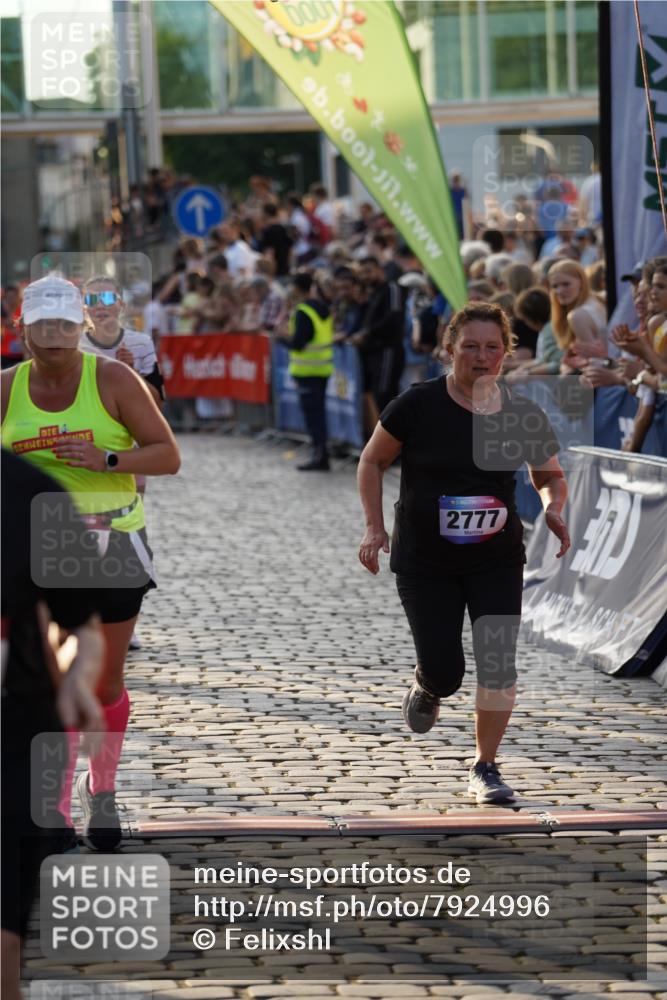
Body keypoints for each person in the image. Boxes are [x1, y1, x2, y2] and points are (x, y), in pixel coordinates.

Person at [357, 302, 570, 804]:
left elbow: (549, 475)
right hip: (425, 561)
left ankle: (486, 766)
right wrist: (374, 528)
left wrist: (554, 507)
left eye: (492, 347)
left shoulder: (521, 412)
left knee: (498, 663)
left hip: (494, 556)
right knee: (447, 670)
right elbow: (372, 461)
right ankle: (429, 683)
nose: (481, 356)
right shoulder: (417, 404)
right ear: (449, 348)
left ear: (506, 353)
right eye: (470, 346)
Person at [1, 274, 180, 851]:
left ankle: (100, 791)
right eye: (43, 325)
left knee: (103, 681)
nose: (54, 336)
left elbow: (167, 456)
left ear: (82, 328)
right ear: (21, 329)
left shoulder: (114, 379)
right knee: (46, 679)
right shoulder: (6, 388)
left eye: (65, 325)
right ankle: (50, 806)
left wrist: (106, 457)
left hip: (112, 541)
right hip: (34, 548)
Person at [1, 449, 105, 1000]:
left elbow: (83, 626)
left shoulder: (31, 495)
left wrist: (77, 679)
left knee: (2, 944)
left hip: (14, 738)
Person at [278, 271, 334, 471]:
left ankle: (320, 456)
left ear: (295, 288)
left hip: (308, 371)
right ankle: (321, 454)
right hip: (322, 369)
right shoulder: (321, 308)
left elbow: (298, 343)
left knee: (313, 417)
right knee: (318, 415)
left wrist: (282, 337)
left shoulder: (303, 311)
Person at [354, 256, 405, 413]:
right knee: (376, 396)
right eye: (362, 273)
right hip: (373, 352)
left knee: (385, 395)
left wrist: (367, 333)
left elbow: (394, 317)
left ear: (379, 270)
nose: (365, 277)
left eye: (369, 271)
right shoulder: (372, 294)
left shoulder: (391, 288)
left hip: (387, 350)